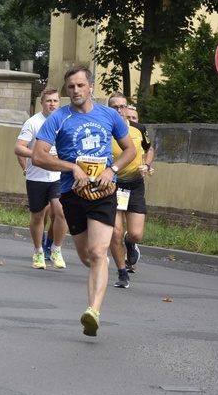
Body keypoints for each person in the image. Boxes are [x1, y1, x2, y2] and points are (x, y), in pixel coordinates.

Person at [33, 66, 137, 337]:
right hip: (72, 194)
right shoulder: (58, 118)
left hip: (104, 192)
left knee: (98, 252)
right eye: (71, 87)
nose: (76, 91)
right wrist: (71, 167)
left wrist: (111, 170)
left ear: (91, 86)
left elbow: (130, 150)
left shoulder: (109, 115)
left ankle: (93, 311)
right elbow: (39, 156)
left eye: (80, 85)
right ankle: (98, 281)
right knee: (86, 256)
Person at [14, 88, 67, 270]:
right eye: (48, 101)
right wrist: (37, 154)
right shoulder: (33, 122)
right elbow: (19, 148)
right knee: (38, 216)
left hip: (58, 175)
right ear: (42, 103)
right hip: (37, 176)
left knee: (61, 212)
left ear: (59, 103)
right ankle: (38, 251)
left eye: (55, 101)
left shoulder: (64, 121)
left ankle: (56, 249)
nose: (52, 104)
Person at [107, 95, 153, 287]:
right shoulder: (103, 130)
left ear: (127, 109)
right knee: (115, 232)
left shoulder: (138, 129)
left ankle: (131, 244)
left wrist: (146, 165)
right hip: (112, 185)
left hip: (134, 185)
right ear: (108, 109)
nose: (119, 110)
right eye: (115, 107)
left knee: (135, 234)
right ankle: (122, 273)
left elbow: (149, 149)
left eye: (122, 107)